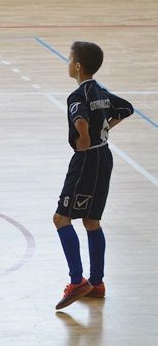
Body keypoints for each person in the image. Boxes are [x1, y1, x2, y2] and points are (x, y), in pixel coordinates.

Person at [53, 41, 133, 310]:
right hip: (104, 157)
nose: (68, 63)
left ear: (77, 67)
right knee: (91, 221)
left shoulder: (77, 96)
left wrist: (85, 139)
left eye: (69, 59)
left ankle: (77, 281)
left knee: (61, 219)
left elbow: (80, 120)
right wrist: (106, 128)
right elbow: (126, 108)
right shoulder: (101, 92)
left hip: (86, 161)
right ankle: (96, 283)